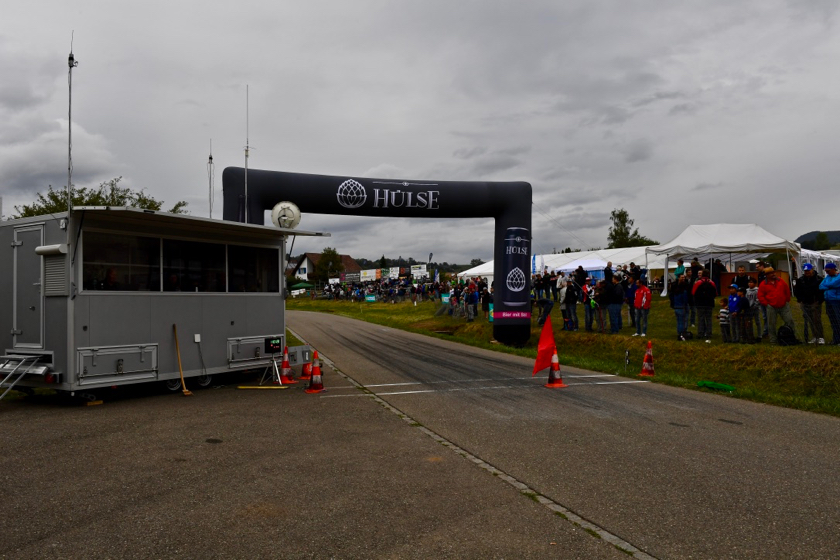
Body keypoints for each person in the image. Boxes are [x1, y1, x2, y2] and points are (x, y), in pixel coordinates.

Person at [757, 266, 796, 345]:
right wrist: (766, 304)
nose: (773, 274)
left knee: (789, 320)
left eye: (773, 272)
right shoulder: (763, 284)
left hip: (783, 305)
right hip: (771, 306)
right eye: (771, 273)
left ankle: (791, 338)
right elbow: (760, 296)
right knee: (771, 324)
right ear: (766, 275)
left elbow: (787, 290)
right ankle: (773, 340)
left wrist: (787, 300)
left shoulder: (781, 280)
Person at [793, 263, 825, 344]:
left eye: (808, 270)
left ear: (812, 269)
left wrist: (819, 300)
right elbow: (797, 291)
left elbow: (822, 291)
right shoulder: (801, 280)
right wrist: (800, 299)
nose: (807, 272)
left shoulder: (819, 279)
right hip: (805, 302)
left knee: (816, 319)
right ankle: (814, 336)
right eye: (805, 271)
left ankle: (820, 337)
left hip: (816, 302)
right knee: (810, 320)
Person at [692, 270, 717, 341]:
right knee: (709, 319)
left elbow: (693, 292)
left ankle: (700, 333)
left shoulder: (698, 283)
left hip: (700, 304)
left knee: (701, 319)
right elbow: (715, 293)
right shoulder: (712, 283)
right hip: (709, 303)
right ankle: (709, 333)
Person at [819, 263, 840, 345]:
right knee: (833, 321)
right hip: (828, 301)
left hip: (837, 301)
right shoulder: (827, 277)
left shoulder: (838, 277)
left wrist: (828, 286)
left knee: (838, 320)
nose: (827, 273)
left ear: (834, 269)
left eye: (828, 271)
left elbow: (834, 283)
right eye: (826, 271)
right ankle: (836, 339)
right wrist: (830, 286)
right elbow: (821, 286)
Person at [670, 274, 690, 340]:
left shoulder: (675, 292)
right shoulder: (683, 292)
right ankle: (682, 333)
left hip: (676, 307)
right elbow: (685, 300)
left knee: (678, 321)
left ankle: (679, 332)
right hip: (682, 307)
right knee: (682, 321)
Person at [745, 277, 760, 342]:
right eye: (749, 282)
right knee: (749, 322)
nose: (749, 284)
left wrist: (754, 305)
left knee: (757, 321)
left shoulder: (757, 290)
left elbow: (758, 299)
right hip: (748, 308)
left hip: (755, 308)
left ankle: (759, 335)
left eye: (751, 282)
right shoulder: (747, 291)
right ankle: (750, 335)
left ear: (754, 283)